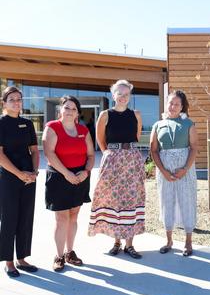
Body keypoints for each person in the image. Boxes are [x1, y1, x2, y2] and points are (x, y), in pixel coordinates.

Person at [88, 79, 145, 259]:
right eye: (119, 93)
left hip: (132, 161)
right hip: (112, 160)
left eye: (126, 94)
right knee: (114, 200)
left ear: (130, 96)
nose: (123, 97)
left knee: (132, 199)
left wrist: (126, 154)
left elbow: (136, 136)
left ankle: (130, 244)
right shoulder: (105, 114)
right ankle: (116, 242)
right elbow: (100, 139)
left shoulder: (135, 114)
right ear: (113, 95)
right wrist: (110, 155)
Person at [42, 95, 94, 271]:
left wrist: (86, 172)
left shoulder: (83, 130)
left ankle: (69, 252)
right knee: (61, 218)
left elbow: (91, 155)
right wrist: (66, 174)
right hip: (59, 176)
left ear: (78, 112)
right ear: (60, 110)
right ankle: (58, 256)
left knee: (74, 216)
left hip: (80, 177)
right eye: (67, 107)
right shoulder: (52, 127)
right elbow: (49, 153)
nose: (70, 111)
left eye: (73, 108)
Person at [150, 90, 198, 257]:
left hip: (185, 169)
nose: (173, 106)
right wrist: (163, 171)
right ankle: (169, 240)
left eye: (177, 104)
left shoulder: (189, 124)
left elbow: (194, 148)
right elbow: (154, 150)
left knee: (187, 200)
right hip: (165, 170)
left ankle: (188, 241)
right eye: (170, 103)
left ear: (182, 106)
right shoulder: (158, 125)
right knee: (166, 201)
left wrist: (185, 169)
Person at [0, 86, 39, 277]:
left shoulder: (28, 124)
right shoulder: (1, 123)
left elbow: (34, 150)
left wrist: (33, 172)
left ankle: (22, 258)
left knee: (25, 217)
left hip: (28, 177)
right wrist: (18, 174)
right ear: (4, 103)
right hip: (8, 177)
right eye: (12, 99)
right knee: (9, 219)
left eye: (19, 99)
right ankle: (8, 261)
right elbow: (0, 155)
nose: (16, 102)